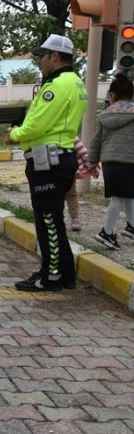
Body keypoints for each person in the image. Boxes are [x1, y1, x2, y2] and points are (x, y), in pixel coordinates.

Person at [8, 34, 86, 292]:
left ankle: (50, 276)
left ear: (54, 56)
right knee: (55, 219)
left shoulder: (56, 86)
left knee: (48, 221)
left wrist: (15, 134)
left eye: (41, 56)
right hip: (61, 156)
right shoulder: (76, 82)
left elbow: (36, 124)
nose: (39, 61)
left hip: (48, 160)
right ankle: (66, 273)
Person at [89, 73, 134, 250]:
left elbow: (96, 140)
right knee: (118, 197)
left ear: (111, 95)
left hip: (110, 161)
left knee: (128, 195)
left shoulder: (105, 115)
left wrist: (92, 161)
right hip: (130, 160)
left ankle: (131, 226)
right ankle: (106, 232)